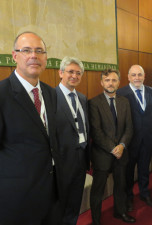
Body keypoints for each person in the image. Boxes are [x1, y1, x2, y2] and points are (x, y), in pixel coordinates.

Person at [0, 31, 60, 225]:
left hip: (50, 195)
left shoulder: (50, 92)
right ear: (15, 56)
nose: (33, 56)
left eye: (39, 51)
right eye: (26, 50)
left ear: (46, 57)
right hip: (15, 201)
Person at [89, 69, 135, 225]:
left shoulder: (124, 102)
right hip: (102, 154)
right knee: (98, 190)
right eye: (107, 80)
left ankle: (120, 212)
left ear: (119, 83)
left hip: (121, 154)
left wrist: (121, 146)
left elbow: (129, 128)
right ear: (102, 82)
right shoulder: (94, 103)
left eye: (114, 80)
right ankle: (96, 220)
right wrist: (112, 148)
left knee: (120, 186)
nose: (111, 83)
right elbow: (96, 131)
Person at [117, 65, 152, 211]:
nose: (137, 78)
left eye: (139, 75)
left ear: (144, 76)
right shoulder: (121, 93)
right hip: (130, 141)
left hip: (147, 138)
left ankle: (144, 193)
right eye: (133, 75)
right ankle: (128, 196)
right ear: (128, 77)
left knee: (144, 168)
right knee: (128, 171)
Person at [56, 56, 89, 225]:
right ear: (61, 73)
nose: (74, 76)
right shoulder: (51, 97)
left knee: (76, 199)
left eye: (78, 73)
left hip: (81, 158)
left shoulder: (82, 98)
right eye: (70, 72)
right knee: (60, 204)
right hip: (61, 161)